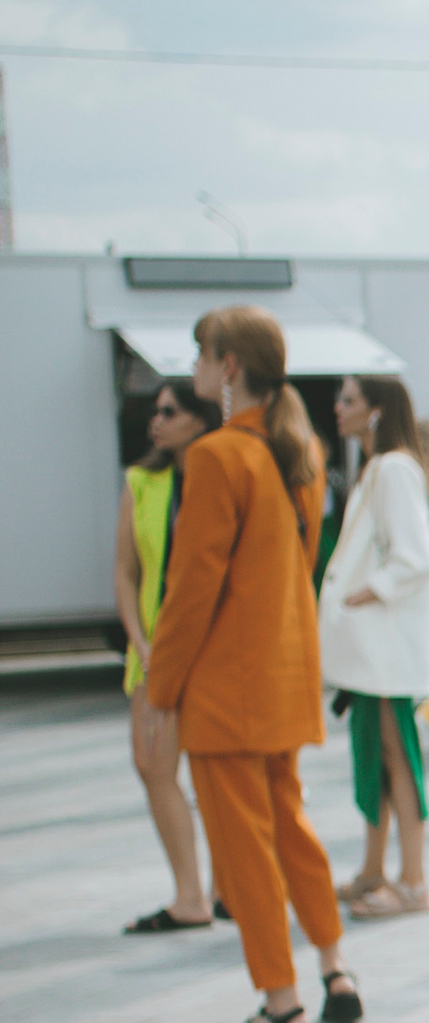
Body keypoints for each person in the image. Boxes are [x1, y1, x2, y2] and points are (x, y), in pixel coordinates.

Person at [145, 309, 361, 1023]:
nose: (196, 370)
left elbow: (192, 588)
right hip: (282, 673)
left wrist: (159, 687)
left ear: (228, 365)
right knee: (292, 829)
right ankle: (334, 969)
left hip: (226, 686)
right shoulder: (295, 448)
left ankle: (281, 1007)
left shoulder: (216, 457)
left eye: (202, 356)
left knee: (245, 851)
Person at [321, 376, 429, 917]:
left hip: (385, 643)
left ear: (376, 410)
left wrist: (368, 593)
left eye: (348, 399)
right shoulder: (379, 468)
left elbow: (415, 556)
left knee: (396, 754)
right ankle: (375, 869)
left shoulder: (392, 469)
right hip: (371, 646)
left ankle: (413, 880)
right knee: (375, 754)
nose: (337, 408)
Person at [117, 380, 217, 931]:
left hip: (209, 652)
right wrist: (139, 640)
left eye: (169, 412)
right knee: (153, 766)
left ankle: (222, 890)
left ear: (198, 421)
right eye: (155, 412)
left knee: (214, 769)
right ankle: (190, 894)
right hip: (152, 652)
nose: (156, 421)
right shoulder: (141, 482)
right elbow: (125, 572)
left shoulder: (217, 474)